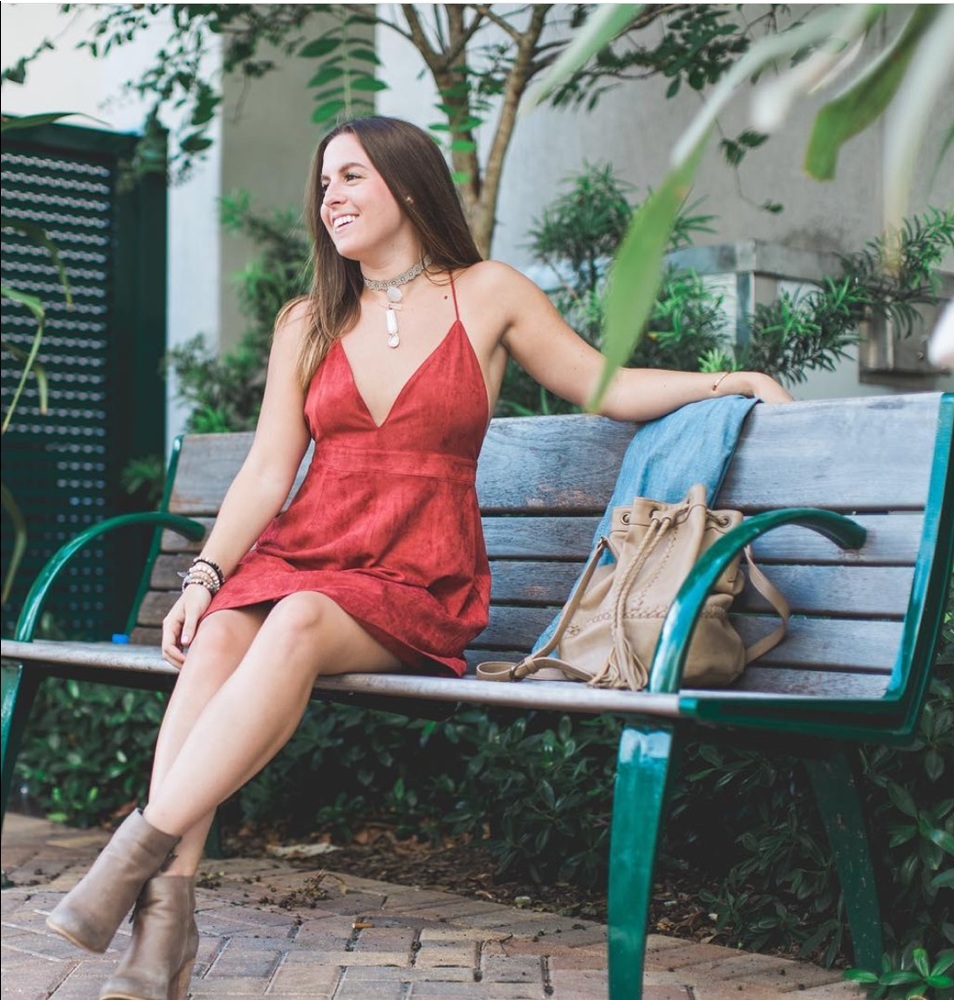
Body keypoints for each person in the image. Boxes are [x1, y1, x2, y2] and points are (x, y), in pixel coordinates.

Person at [45, 115, 793, 999]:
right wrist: (203, 576)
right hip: (305, 550)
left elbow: (603, 386)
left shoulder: (488, 293)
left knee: (297, 622)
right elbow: (265, 472)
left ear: (404, 184)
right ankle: (160, 933)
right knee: (218, 637)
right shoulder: (308, 320)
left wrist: (727, 381)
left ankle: (130, 854)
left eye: (351, 177)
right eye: (324, 184)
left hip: (416, 577)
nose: (332, 198)